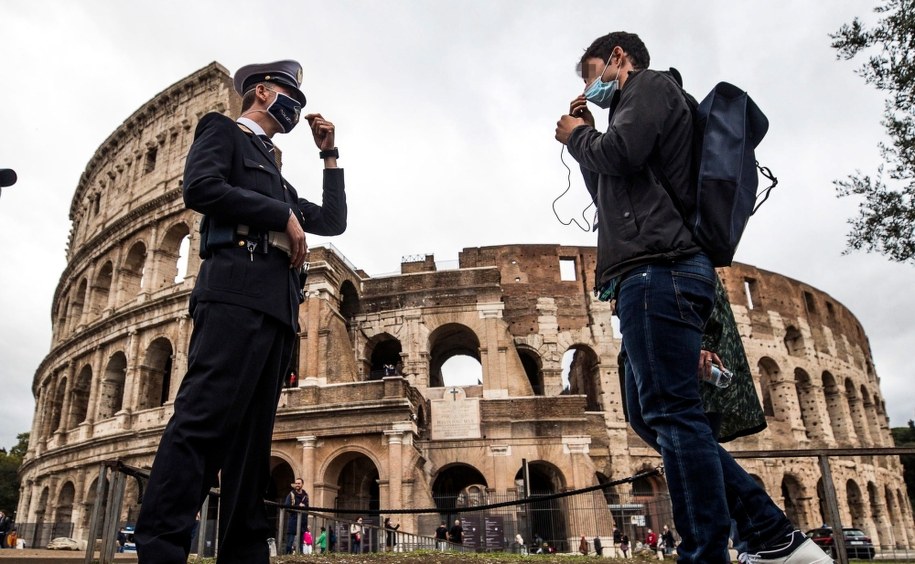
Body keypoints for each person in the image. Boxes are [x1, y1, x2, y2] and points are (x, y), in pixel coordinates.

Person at [554, 31, 830, 564]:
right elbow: (609, 190)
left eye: (590, 75)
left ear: (617, 59)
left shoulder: (653, 87)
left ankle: (708, 552)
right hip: (646, 277)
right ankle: (770, 532)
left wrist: (576, 137)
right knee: (647, 414)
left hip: (660, 271)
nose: (589, 89)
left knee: (674, 415)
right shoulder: (625, 113)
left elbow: (624, 152)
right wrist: (589, 137)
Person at [135, 59, 347, 564]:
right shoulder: (223, 132)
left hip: (276, 306)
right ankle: (161, 550)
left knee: (253, 444)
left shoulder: (275, 172)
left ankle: (245, 555)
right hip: (233, 289)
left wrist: (330, 156)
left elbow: (333, 222)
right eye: (291, 92)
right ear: (264, 93)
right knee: (202, 421)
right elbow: (201, 189)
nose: (297, 103)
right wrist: (279, 215)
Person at [284, 478, 310, 554]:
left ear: (302, 484)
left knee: (301, 544)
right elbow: (287, 507)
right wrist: (298, 506)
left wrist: (304, 507)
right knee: (290, 542)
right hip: (293, 520)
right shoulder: (291, 494)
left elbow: (307, 508)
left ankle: (300, 557)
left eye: (299, 483)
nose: (297, 485)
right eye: (296, 483)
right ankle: (287, 556)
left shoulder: (306, 495)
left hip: (303, 521)